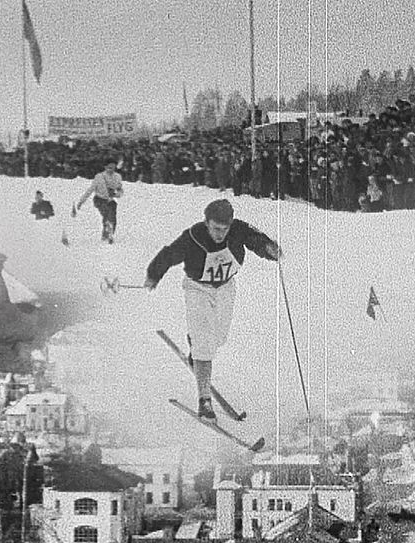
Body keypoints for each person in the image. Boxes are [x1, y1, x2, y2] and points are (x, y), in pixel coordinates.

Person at [144, 199, 282, 420]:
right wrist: (154, 274)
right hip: (198, 288)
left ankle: (196, 351)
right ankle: (204, 400)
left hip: (226, 287)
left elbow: (255, 239)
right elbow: (169, 255)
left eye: (224, 229)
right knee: (205, 344)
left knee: (218, 338)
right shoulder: (193, 237)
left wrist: (269, 249)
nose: (220, 234)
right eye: (216, 229)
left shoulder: (238, 229)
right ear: (207, 223)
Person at [71, 158, 123, 243]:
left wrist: (118, 194)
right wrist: (81, 201)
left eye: (113, 168)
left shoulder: (117, 177)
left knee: (112, 214)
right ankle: (106, 232)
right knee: (106, 213)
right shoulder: (99, 177)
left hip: (110, 199)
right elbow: (90, 190)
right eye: (109, 167)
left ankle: (110, 232)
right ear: (105, 167)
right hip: (99, 199)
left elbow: (120, 189)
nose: (111, 170)